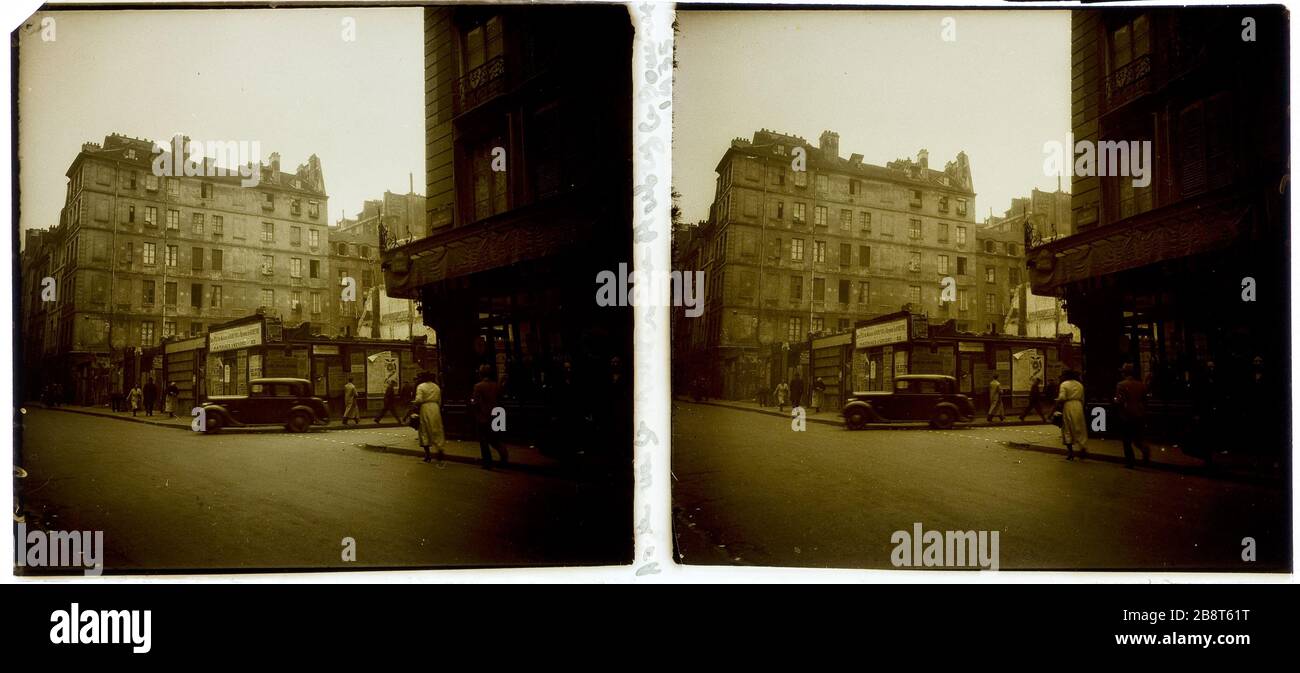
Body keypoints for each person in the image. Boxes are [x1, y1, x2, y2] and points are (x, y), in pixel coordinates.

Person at [471, 365, 508, 469]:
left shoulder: (478, 386)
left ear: (481, 374)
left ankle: (487, 462)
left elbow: (476, 402)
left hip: (484, 417)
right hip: (497, 415)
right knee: (496, 439)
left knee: (483, 441)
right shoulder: (495, 385)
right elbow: (500, 397)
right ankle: (504, 456)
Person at [1114, 363, 1150, 468]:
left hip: (1127, 415)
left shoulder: (1121, 385)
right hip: (1139, 414)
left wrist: (1116, 401)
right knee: (1138, 437)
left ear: (1124, 373)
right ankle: (1144, 449)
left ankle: (1130, 462)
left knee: (1127, 440)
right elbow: (1145, 400)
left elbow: (1120, 400)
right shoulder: (1141, 385)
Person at [413, 372, 446, 464]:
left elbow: (419, 399)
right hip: (435, 408)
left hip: (425, 408)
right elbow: (439, 400)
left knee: (424, 430)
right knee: (437, 429)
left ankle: (427, 455)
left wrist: (414, 403)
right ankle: (439, 447)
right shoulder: (436, 387)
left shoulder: (421, 386)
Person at [1056, 369, 1088, 460]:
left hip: (1068, 405)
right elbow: (1083, 398)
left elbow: (1062, 397)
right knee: (1080, 427)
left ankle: (1070, 452)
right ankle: (1082, 446)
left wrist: (1057, 402)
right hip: (1078, 406)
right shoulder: (1079, 385)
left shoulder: (1064, 384)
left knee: (1067, 428)